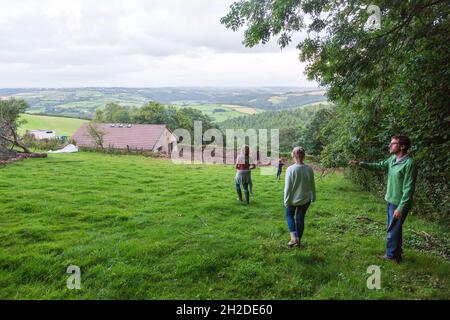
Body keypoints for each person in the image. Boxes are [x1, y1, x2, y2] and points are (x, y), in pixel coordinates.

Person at [350, 135, 418, 263]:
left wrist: (401, 207)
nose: (389, 145)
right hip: (391, 200)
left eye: (393, 143)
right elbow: (379, 165)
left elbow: (409, 189)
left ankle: (391, 256)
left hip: (399, 204)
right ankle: (396, 253)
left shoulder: (409, 164)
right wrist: (361, 164)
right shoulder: (392, 159)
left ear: (402, 146)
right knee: (395, 228)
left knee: (392, 229)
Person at [284, 147, 316, 248]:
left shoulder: (290, 169)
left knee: (289, 216)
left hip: (292, 200)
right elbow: (312, 184)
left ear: (293, 155)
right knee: (300, 219)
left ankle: (293, 238)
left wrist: (286, 201)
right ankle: (298, 241)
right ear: (304, 156)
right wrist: (313, 196)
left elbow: (288, 187)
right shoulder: (309, 168)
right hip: (305, 200)